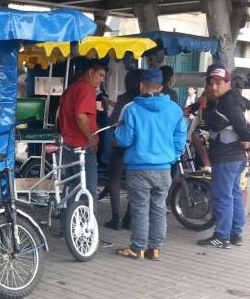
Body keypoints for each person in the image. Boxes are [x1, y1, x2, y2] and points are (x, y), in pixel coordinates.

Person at [114, 68, 186, 260]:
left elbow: (125, 140)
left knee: (140, 209)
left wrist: (116, 133)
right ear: (161, 87)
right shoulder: (175, 110)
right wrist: (173, 154)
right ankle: (155, 248)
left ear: (141, 85)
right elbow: (180, 139)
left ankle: (138, 248)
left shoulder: (132, 109)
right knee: (159, 208)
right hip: (163, 168)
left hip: (138, 168)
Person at [197, 65, 250, 249]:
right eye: (211, 83)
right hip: (236, 157)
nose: (214, 87)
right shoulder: (233, 98)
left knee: (223, 196)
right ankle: (236, 234)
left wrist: (249, 140)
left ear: (227, 83)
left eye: (219, 83)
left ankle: (222, 236)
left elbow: (241, 125)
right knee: (235, 194)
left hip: (227, 157)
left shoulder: (227, 102)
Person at [57, 60, 112, 247]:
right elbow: (81, 116)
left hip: (68, 144)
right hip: (82, 147)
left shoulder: (70, 88)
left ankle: (69, 231)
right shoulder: (86, 89)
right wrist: (92, 139)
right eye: (100, 75)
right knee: (88, 191)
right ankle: (89, 234)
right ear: (90, 72)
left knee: (72, 190)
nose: (101, 80)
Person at [103, 69, 143, 230]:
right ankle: (129, 217)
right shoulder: (143, 103)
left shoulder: (124, 101)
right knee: (133, 182)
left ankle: (115, 218)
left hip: (120, 145)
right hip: (137, 147)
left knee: (114, 180)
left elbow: (113, 121)